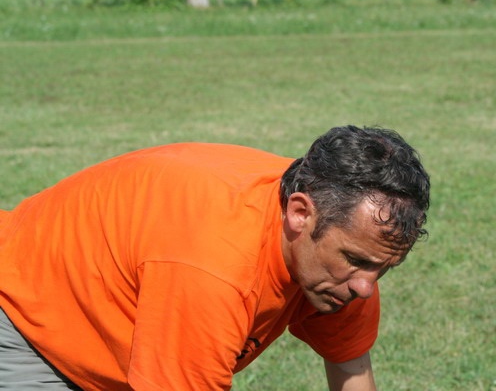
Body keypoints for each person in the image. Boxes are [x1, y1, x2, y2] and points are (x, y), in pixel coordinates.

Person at [0, 125, 430, 390]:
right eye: (357, 261)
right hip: (25, 319)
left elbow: (351, 369)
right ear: (300, 213)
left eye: (383, 268)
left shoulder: (349, 257)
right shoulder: (214, 268)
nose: (366, 287)